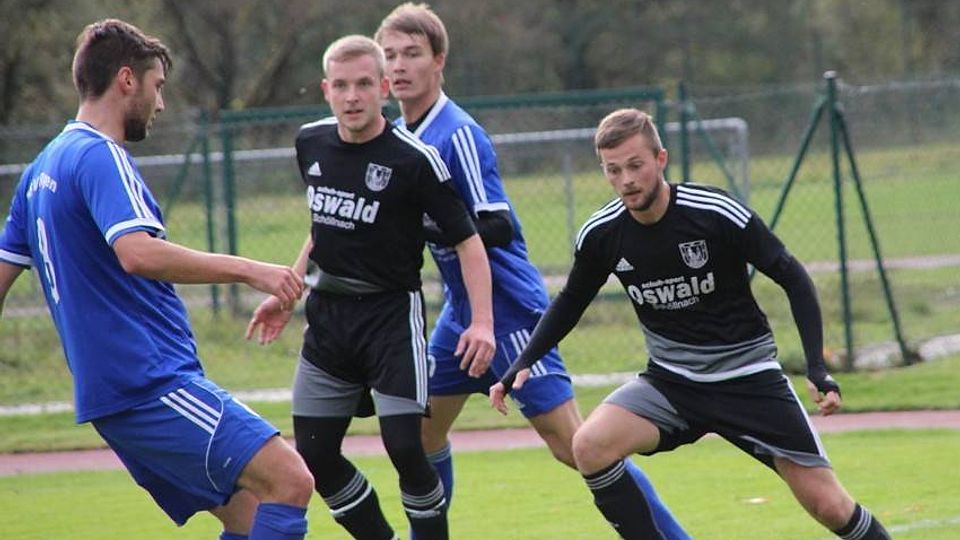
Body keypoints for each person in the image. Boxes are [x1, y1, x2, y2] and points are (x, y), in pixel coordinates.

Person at [491, 108, 892, 539]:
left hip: (748, 378)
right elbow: (571, 300)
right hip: (672, 383)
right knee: (589, 445)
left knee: (829, 506)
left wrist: (816, 366)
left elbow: (792, 276)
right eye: (613, 170)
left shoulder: (715, 211)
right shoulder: (602, 234)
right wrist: (523, 361)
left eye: (636, 165)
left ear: (661, 159)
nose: (626, 180)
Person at [374, 4, 688, 539]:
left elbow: (496, 226)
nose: (399, 66)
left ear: (439, 60)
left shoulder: (457, 134)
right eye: (390, 55)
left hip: (509, 311)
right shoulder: (402, 135)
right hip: (462, 315)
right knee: (420, 437)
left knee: (577, 447)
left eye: (412, 53)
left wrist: (419, 224)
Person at [0, 19, 313, 540]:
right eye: (157, 86)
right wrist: (250, 269)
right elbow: (138, 253)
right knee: (291, 480)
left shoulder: (39, 170)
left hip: (113, 393)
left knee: (251, 514)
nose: (161, 104)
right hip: (147, 382)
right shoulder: (99, 154)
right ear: (127, 80)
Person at [245, 34, 495, 540]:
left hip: (390, 320)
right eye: (340, 85)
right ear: (326, 90)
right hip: (328, 320)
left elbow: (469, 241)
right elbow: (323, 227)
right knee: (314, 453)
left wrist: (483, 323)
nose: (352, 96)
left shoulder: (415, 159)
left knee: (405, 447)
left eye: (363, 84)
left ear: (383, 88)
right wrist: (289, 291)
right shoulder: (310, 142)